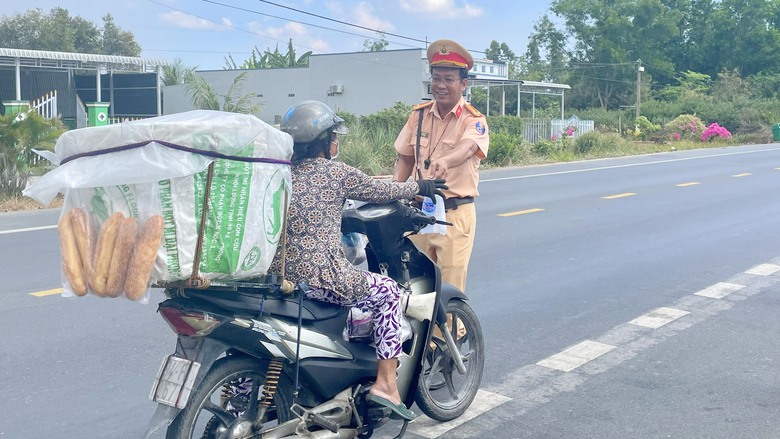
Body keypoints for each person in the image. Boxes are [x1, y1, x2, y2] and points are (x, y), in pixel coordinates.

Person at [271, 100, 447, 422]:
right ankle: (386, 385)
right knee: (388, 292)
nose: (337, 141)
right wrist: (420, 187)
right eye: (333, 135)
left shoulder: (279, 173)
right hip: (321, 278)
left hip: (279, 277)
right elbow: (379, 191)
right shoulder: (336, 172)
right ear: (325, 141)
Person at [393, 39, 490, 294]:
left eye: (448, 79)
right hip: (418, 213)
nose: (441, 85)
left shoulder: (474, 120)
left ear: (463, 83)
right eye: (437, 78)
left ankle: (451, 333)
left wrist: (445, 160)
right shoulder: (419, 115)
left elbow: (468, 148)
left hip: (454, 214)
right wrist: (393, 191)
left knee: (448, 290)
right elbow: (405, 157)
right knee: (412, 287)